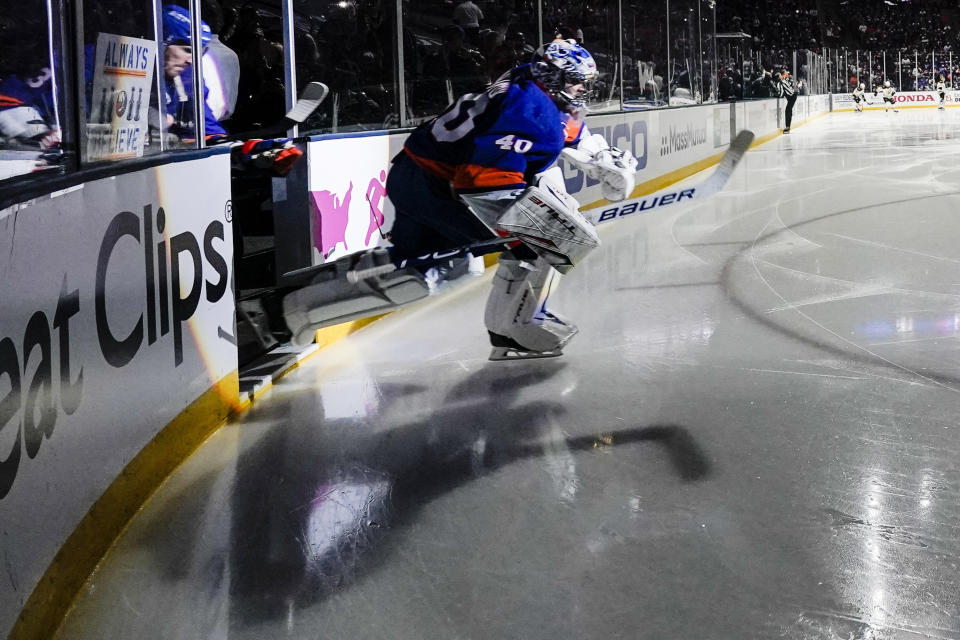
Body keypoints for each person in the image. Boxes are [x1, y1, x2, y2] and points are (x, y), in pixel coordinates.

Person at [281, 39, 638, 360]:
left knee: (413, 265)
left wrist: (603, 157)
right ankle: (511, 330)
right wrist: (529, 228)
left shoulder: (532, 84)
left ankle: (306, 302)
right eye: (575, 81)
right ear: (552, 77)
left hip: (417, 173)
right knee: (533, 246)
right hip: (434, 186)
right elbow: (479, 182)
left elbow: (565, 128)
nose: (581, 90)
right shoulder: (530, 110)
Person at [161, 5, 227, 142]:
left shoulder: (187, 77)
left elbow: (207, 127)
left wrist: (241, 149)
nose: (191, 61)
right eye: (187, 50)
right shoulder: (129, 73)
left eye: (199, 53)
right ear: (163, 42)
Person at [776, 68, 799, 133]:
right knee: (789, 110)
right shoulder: (786, 78)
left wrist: (778, 95)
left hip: (792, 95)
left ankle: (787, 127)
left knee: (788, 110)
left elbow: (781, 93)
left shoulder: (782, 81)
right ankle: (788, 127)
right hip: (793, 94)